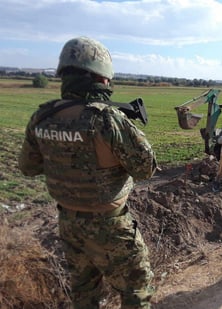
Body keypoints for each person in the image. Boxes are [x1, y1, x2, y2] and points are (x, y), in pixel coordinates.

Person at [18, 37, 157, 308]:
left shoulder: (43, 117)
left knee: (84, 291)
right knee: (136, 288)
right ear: (102, 78)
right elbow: (145, 169)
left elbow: (28, 167)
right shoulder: (107, 119)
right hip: (110, 225)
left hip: (68, 222)